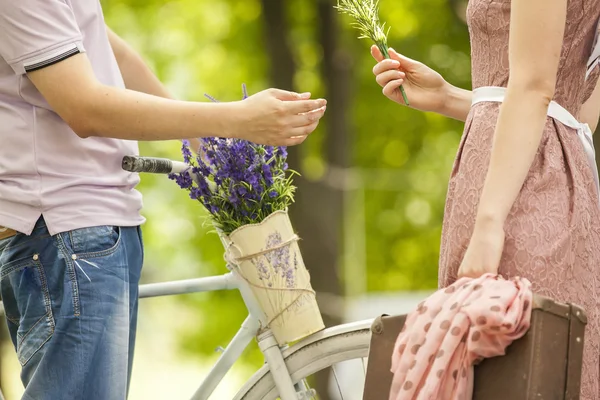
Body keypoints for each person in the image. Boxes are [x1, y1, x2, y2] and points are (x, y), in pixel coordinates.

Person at [0, 0, 327, 399]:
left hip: (86, 229)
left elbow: (106, 44)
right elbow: (82, 106)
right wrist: (235, 117)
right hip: (68, 228)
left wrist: (200, 141)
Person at [373, 0, 600, 398]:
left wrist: (490, 221)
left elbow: (535, 88)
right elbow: (572, 117)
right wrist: (446, 97)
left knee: (512, 371)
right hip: (548, 181)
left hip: (518, 198)